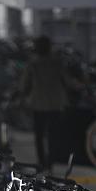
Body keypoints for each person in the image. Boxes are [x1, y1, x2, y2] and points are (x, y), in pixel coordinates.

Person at [20, 35, 68, 171]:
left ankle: (41, 162)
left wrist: (22, 95)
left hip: (38, 104)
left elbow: (24, 85)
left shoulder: (32, 64)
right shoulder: (57, 63)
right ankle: (50, 162)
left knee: (39, 135)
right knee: (53, 135)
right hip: (55, 104)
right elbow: (67, 80)